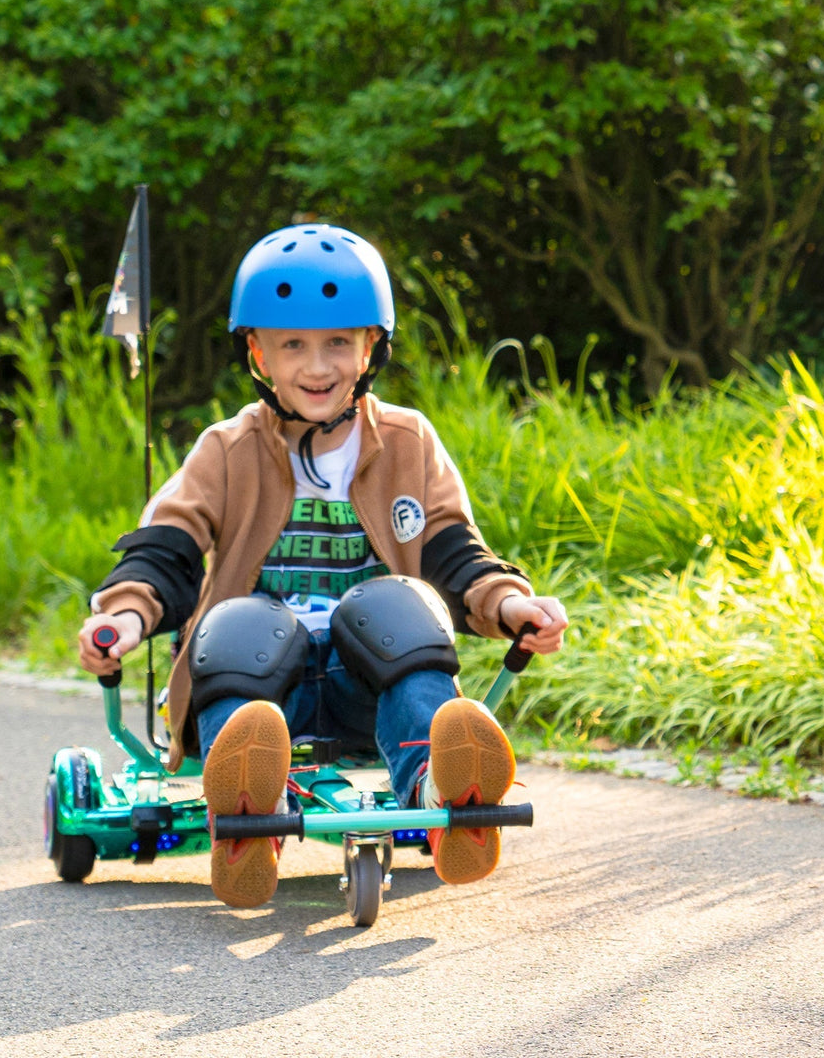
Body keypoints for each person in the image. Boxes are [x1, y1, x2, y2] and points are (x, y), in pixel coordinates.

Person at [78, 223, 567, 908]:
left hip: (367, 679)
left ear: (372, 346)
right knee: (241, 626)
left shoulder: (407, 441)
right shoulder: (228, 448)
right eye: (293, 345)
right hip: (261, 687)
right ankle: (252, 806)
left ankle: (438, 787)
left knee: (400, 607)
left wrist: (512, 604)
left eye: (338, 341)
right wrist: (125, 617)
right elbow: (169, 545)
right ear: (258, 353)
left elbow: (452, 553)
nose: (317, 366)